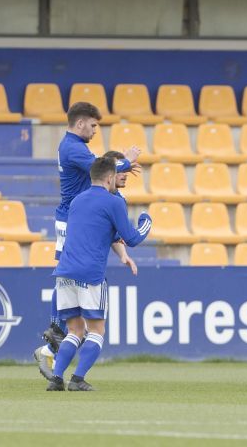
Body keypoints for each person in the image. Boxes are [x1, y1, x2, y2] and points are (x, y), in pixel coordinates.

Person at [36, 104, 140, 379]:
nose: (95, 130)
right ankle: (54, 330)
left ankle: (52, 344)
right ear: (80, 123)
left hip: (76, 215)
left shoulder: (75, 147)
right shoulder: (72, 147)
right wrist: (126, 161)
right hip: (69, 218)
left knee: (66, 272)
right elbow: (99, 167)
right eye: (93, 126)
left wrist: (121, 253)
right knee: (64, 270)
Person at [46, 157, 152, 391]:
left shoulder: (76, 201)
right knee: (97, 330)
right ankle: (77, 379)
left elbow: (95, 231)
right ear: (110, 177)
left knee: (74, 330)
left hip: (64, 271)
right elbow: (132, 238)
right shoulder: (113, 202)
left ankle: (56, 379)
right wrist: (146, 221)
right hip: (90, 274)